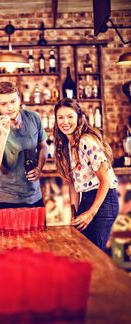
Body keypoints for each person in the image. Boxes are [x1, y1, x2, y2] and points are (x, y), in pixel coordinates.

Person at [53, 98, 119, 250]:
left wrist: (91, 213)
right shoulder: (68, 144)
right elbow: (72, 183)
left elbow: (105, 180)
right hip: (87, 198)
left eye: (70, 116)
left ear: (79, 117)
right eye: (60, 117)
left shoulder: (86, 141)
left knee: (95, 253)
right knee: (82, 250)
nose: (65, 122)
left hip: (104, 200)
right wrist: (74, 213)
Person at [0, 81, 47, 209]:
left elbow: (43, 146)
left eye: (13, 101)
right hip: (8, 199)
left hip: (35, 196)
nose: (10, 107)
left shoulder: (34, 118)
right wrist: (4, 134)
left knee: (40, 230)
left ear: (19, 99)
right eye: (4, 104)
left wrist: (39, 167)